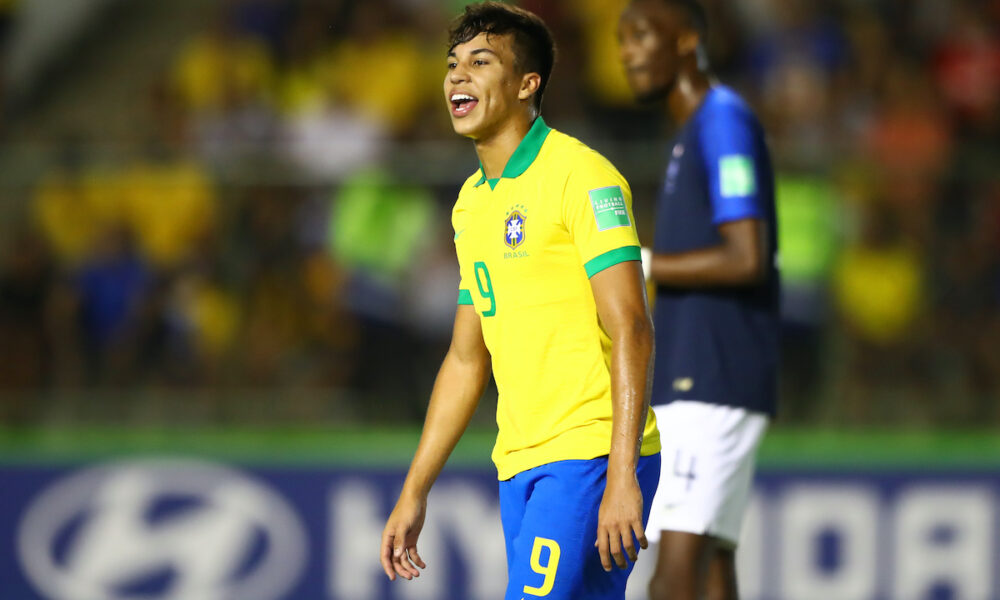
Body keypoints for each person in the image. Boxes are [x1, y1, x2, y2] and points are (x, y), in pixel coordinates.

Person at [380, 3, 661, 599]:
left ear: (527, 84)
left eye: (481, 62)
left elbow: (632, 327)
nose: (458, 75)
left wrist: (621, 473)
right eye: (453, 64)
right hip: (519, 461)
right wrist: (414, 490)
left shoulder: (583, 177)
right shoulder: (471, 204)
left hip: (590, 451)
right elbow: (465, 359)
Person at [618, 1, 780, 599]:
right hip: (700, 378)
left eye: (641, 35)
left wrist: (643, 265)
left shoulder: (722, 121)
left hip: (711, 378)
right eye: (621, 40)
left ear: (687, 40)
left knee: (672, 581)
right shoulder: (693, 131)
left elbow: (746, 255)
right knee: (711, 573)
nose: (626, 52)